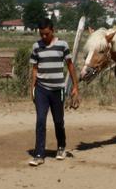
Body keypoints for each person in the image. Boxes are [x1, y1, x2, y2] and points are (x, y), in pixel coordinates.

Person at [28, 18, 80, 166]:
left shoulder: (62, 45)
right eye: (41, 34)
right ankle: (39, 154)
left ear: (52, 31)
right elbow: (35, 68)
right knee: (40, 121)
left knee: (58, 121)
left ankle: (61, 146)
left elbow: (70, 66)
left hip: (58, 89)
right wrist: (32, 87)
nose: (44, 37)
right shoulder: (36, 46)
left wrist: (75, 86)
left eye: (46, 34)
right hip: (41, 89)